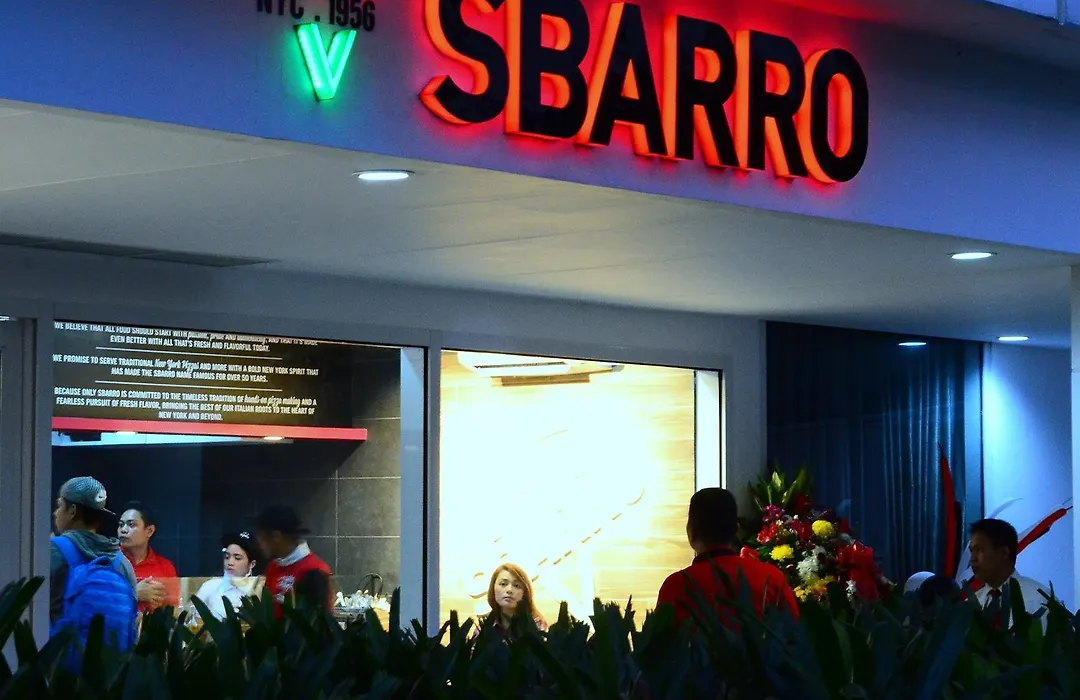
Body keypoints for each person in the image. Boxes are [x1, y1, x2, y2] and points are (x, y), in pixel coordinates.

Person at [657, 488, 799, 626]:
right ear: (735, 529)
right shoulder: (771, 577)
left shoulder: (675, 586)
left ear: (691, 531)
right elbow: (795, 633)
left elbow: (660, 639)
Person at [49, 477, 138, 658]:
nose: (55, 513)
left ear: (72, 510)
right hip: (110, 667)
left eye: (59, 506)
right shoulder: (121, 562)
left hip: (60, 666)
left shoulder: (53, 550)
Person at [967, 518, 1050, 626]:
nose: (972, 559)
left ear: (1004, 553)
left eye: (979, 550)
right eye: (972, 551)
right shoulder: (970, 604)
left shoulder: (1040, 600)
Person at [256, 505, 333, 618]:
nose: (259, 544)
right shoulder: (273, 566)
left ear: (277, 536)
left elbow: (317, 621)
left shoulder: (314, 570)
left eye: (262, 538)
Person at [119, 502, 180, 615]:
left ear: (150, 531)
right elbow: (97, 601)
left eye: (131, 525)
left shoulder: (165, 567)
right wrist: (134, 593)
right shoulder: (108, 562)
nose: (123, 530)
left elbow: (173, 611)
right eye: (121, 525)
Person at [191, 531, 265, 621]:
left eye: (237, 558)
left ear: (252, 564)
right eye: (227, 557)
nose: (230, 563)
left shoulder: (259, 590)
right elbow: (195, 622)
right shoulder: (210, 587)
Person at [481, 564, 548, 641]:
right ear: (493, 588)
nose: (509, 590)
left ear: (525, 592)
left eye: (516, 585)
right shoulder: (484, 625)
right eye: (503, 584)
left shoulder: (537, 624)